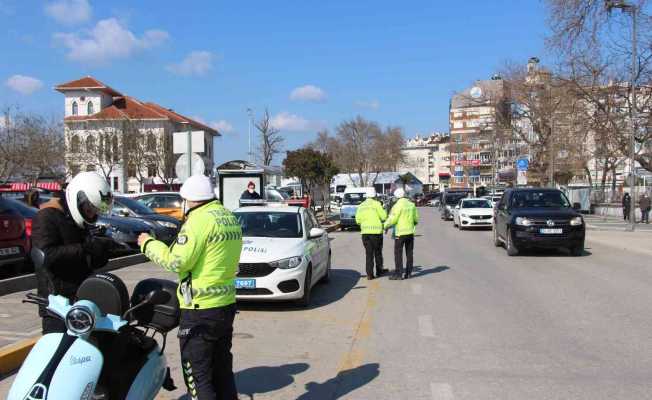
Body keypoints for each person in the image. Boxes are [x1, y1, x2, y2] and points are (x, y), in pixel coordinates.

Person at [138, 175, 243, 400]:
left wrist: (148, 244)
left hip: (199, 311)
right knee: (222, 373)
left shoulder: (198, 221)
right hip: (225, 306)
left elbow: (177, 261)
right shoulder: (228, 217)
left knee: (198, 377)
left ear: (190, 200)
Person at [31, 172, 114, 334]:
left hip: (82, 300)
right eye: (90, 209)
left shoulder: (76, 219)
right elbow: (46, 255)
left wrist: (102, 251)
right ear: (78, 199)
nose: (92, 214)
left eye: (95, 210)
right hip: (57, 305)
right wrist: (86, 247)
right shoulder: (47, 216)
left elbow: (86, 261)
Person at [384, 188, 419, 280]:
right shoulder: (411, 205)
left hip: (400, 234)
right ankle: (409, 273)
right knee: (409, 253)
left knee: (398, 254)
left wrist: (385, 225)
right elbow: (416, 219)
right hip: (410, 233)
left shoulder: (397, 206)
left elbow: (392, 219)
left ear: (397, 196)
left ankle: (399, 274)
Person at [355, 191, 388, 280]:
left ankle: (369, 274)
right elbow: (384, 217)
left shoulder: (361, 205)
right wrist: (384, 209)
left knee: (368, 254)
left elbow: (357, 220)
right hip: (376, 233)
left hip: (365, 233)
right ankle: (379, 270)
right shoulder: (377, 204)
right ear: (374, 196)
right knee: (377, 252)